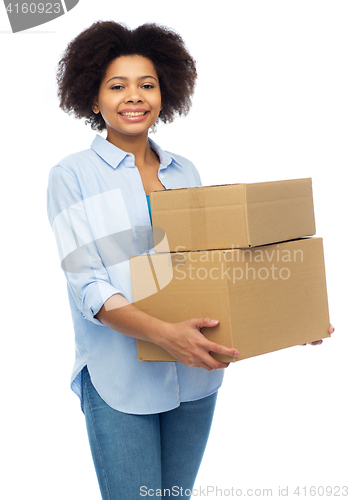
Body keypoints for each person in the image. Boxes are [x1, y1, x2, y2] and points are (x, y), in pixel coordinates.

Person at [47, 21, 334, 500]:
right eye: (117, 86)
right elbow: (89, 286)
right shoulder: (72, 175)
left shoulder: (185, 171)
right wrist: (165, 336)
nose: (133, 97)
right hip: (121, 379)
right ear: (93, 100)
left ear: (165, 95)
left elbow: (210, 267)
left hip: (195, 378)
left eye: (147, 85)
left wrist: (285, 319)